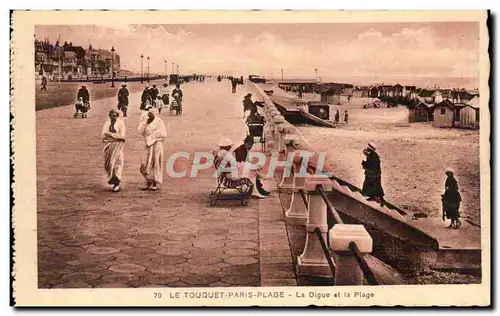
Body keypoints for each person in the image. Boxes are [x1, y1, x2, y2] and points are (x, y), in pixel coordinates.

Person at [138, 109, 167, 191]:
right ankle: (148, 180)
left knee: (156, 162)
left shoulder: (159, 121)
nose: (149, 114)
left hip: (157, 144)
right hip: (147, 144)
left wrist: (152, 137)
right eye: (148, 112)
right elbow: (140, 131)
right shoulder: (145, 121)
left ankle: (155, 182)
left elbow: (163, 133)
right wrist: (145, 123)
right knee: (145, 162)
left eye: (151, 112)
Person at [101, 109, 126, 192]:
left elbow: (122, 136)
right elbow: (103, 135)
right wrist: (113, 136)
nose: (113, 117)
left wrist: (111, 135)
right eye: (111, 115)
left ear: (117, 116)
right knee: (107, 165)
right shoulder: (107, 124)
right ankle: (114, 178)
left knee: (116, 164)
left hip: (117, 146)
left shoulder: (121, 124)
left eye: (114, 116)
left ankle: (117, 183)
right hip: (108, 146)